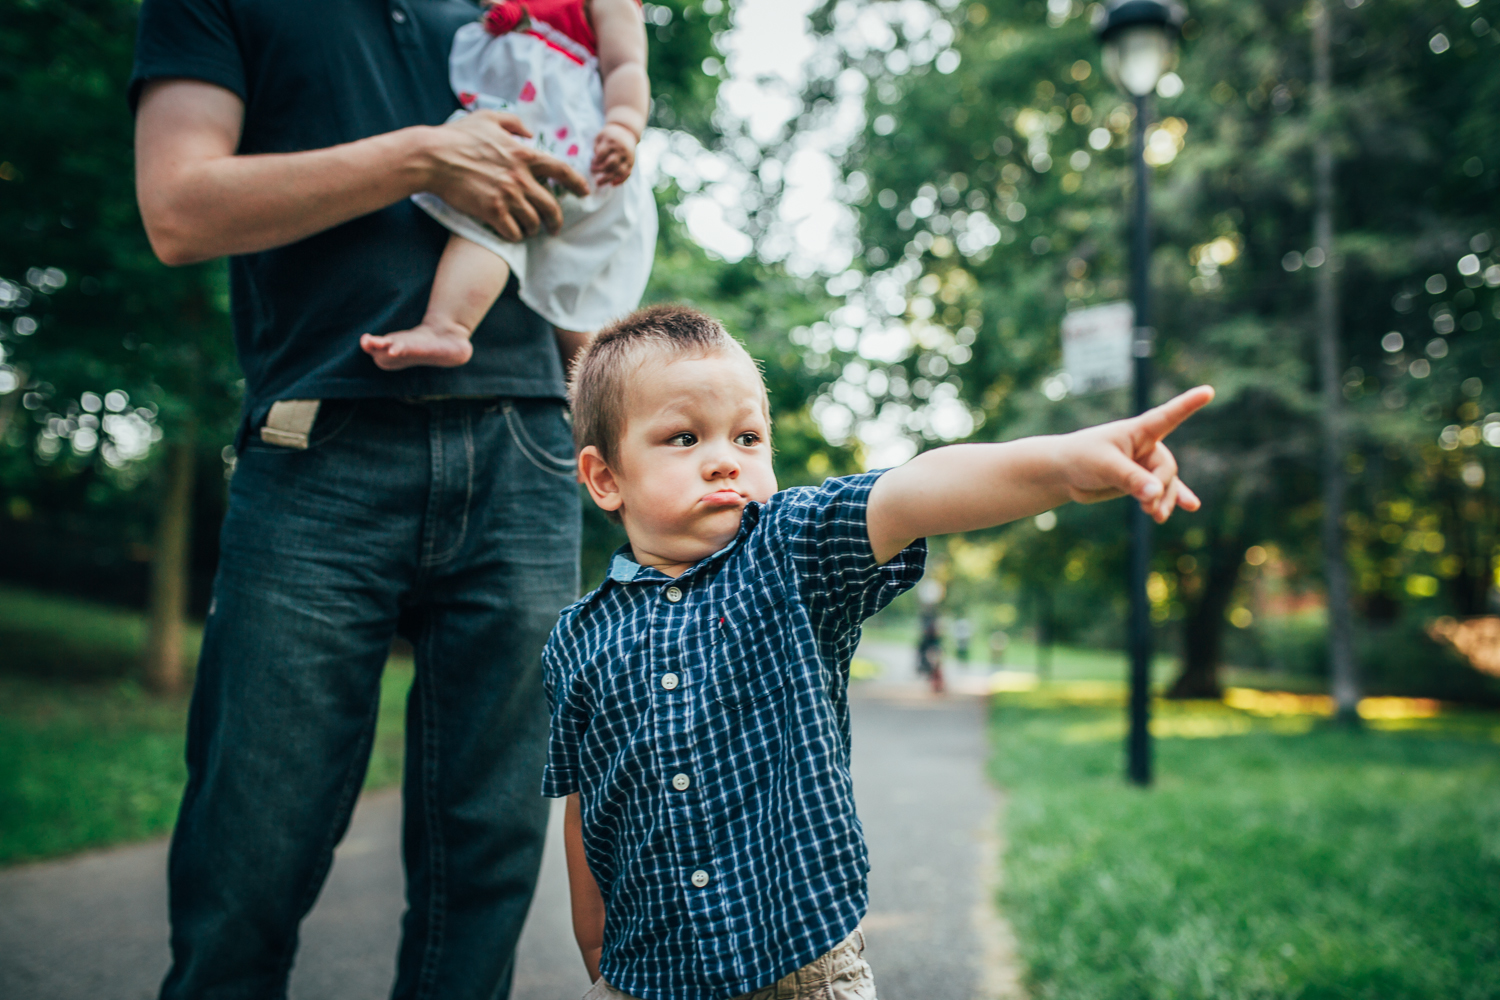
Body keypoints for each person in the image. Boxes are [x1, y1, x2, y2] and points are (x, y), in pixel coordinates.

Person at [542, 305, 1213, 1000]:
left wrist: (1065, 466)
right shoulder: (577, 641)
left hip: (803, 971)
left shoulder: (791, 553)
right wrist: (596, 954)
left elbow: (916, 492)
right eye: (683, 438)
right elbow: (586, 804)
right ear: (605, 478)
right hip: (645, 976)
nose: (724, 460)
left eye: (748, 437)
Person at [129, 1, 592, 997]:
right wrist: (424, 156)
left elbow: (565, 231)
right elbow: (177, 209)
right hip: (318, 444)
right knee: (246, 861)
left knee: (489, 864)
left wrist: (626, 421)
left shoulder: (509, 7)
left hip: (528, 450)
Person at [361, 0, 657, 371]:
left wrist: (623, 126)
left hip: (562, 140)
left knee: (492, 220)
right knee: (562, 292)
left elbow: (627, 65)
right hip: (522, 130)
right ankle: (594, 390)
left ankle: (447, 327)